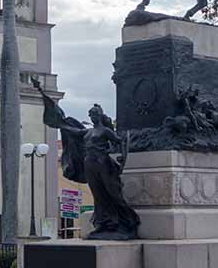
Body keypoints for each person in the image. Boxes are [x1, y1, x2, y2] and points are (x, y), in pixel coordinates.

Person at [32, 79, 139, 240]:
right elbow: (71, 129)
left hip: (103, 163)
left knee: (112, 192)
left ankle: (126, 220)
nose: (92, 116)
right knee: (98, 194)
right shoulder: (87, 132)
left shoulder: (105, 132)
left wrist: (123, 157)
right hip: (89, 164)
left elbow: (121, 141)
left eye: (94, 114)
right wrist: (59, 120)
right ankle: (105, 223)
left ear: (99, 116)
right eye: (90, 115)